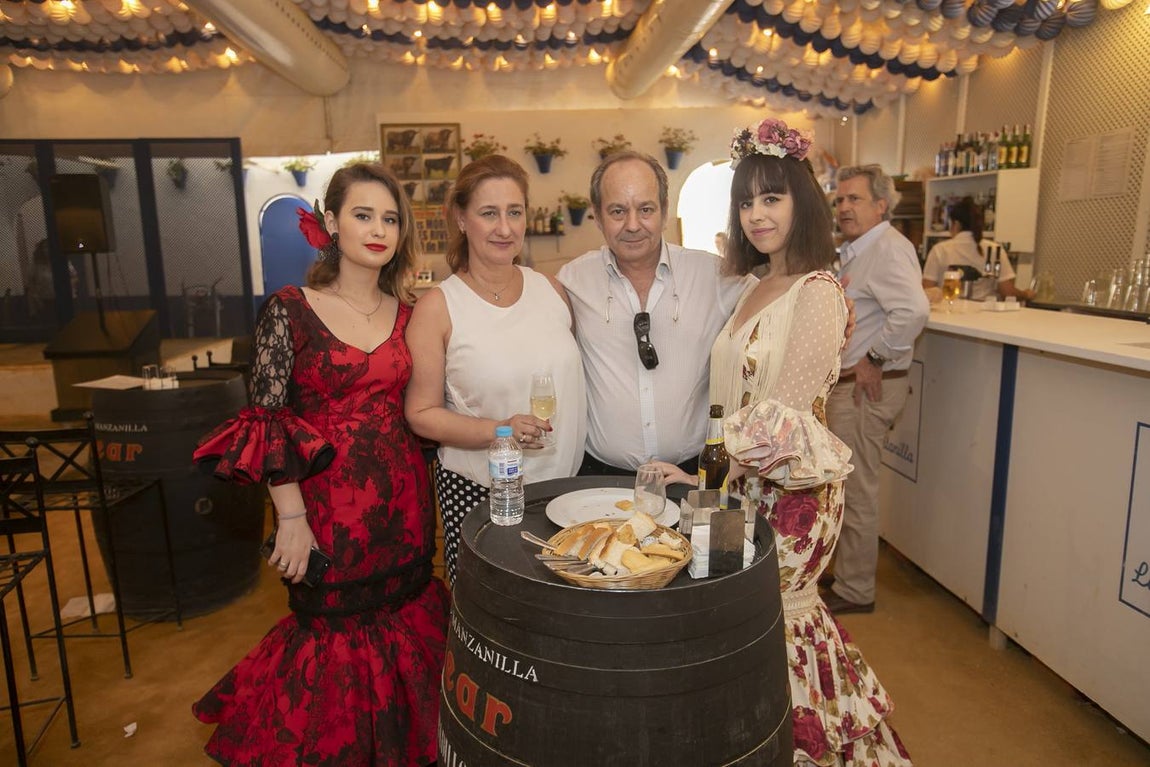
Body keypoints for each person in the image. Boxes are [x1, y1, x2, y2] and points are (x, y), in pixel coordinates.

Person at [191, 162, 448, 766]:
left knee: (407, 621)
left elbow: (424, 407)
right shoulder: (289, 309)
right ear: (331, 222)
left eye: (390, 218)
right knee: (331, 635)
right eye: (363, 215)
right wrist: (291, 517)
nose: (378, 229)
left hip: (404, 510)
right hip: (325, 512)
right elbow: (268, 420)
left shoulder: (410, 313)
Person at [405, 155, 586, 584]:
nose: (505, 228)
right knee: (493, 626)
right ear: (462, 219)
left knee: (560, 622)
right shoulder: (439, 307)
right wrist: (498, 429)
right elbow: (420, 414)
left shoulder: (551, 290)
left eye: (514, 212)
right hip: (481, 493)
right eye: (489, 214)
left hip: (563, 490)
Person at [557, 151, 756, 476]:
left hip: (692, 474)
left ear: (664, 212)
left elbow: (779, 301)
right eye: (617, 211)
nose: (632, 225)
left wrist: (829, 302)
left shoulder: (715, 276)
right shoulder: (571, 281)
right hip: (599, 476)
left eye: (645, 209)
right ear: (596, 215)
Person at [825, 164, 930, 614]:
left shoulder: (887, 247)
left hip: (868, 388)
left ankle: (855, 590)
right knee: (846, 486)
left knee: (858, 487)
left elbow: (912, 311)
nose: (844, 207)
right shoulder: (857, 249)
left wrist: (874, 358)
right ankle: (847, 573)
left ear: (881, 205)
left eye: (855, 199)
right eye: (840, 199)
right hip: (853, 386)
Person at [921, 195, 1034, 302]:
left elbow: (927, 290)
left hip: (949, 311)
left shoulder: (940, 250)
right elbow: (1007, 292)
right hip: (985, 315)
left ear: (956, 223)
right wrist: (1026, 294)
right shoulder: (995, 250)